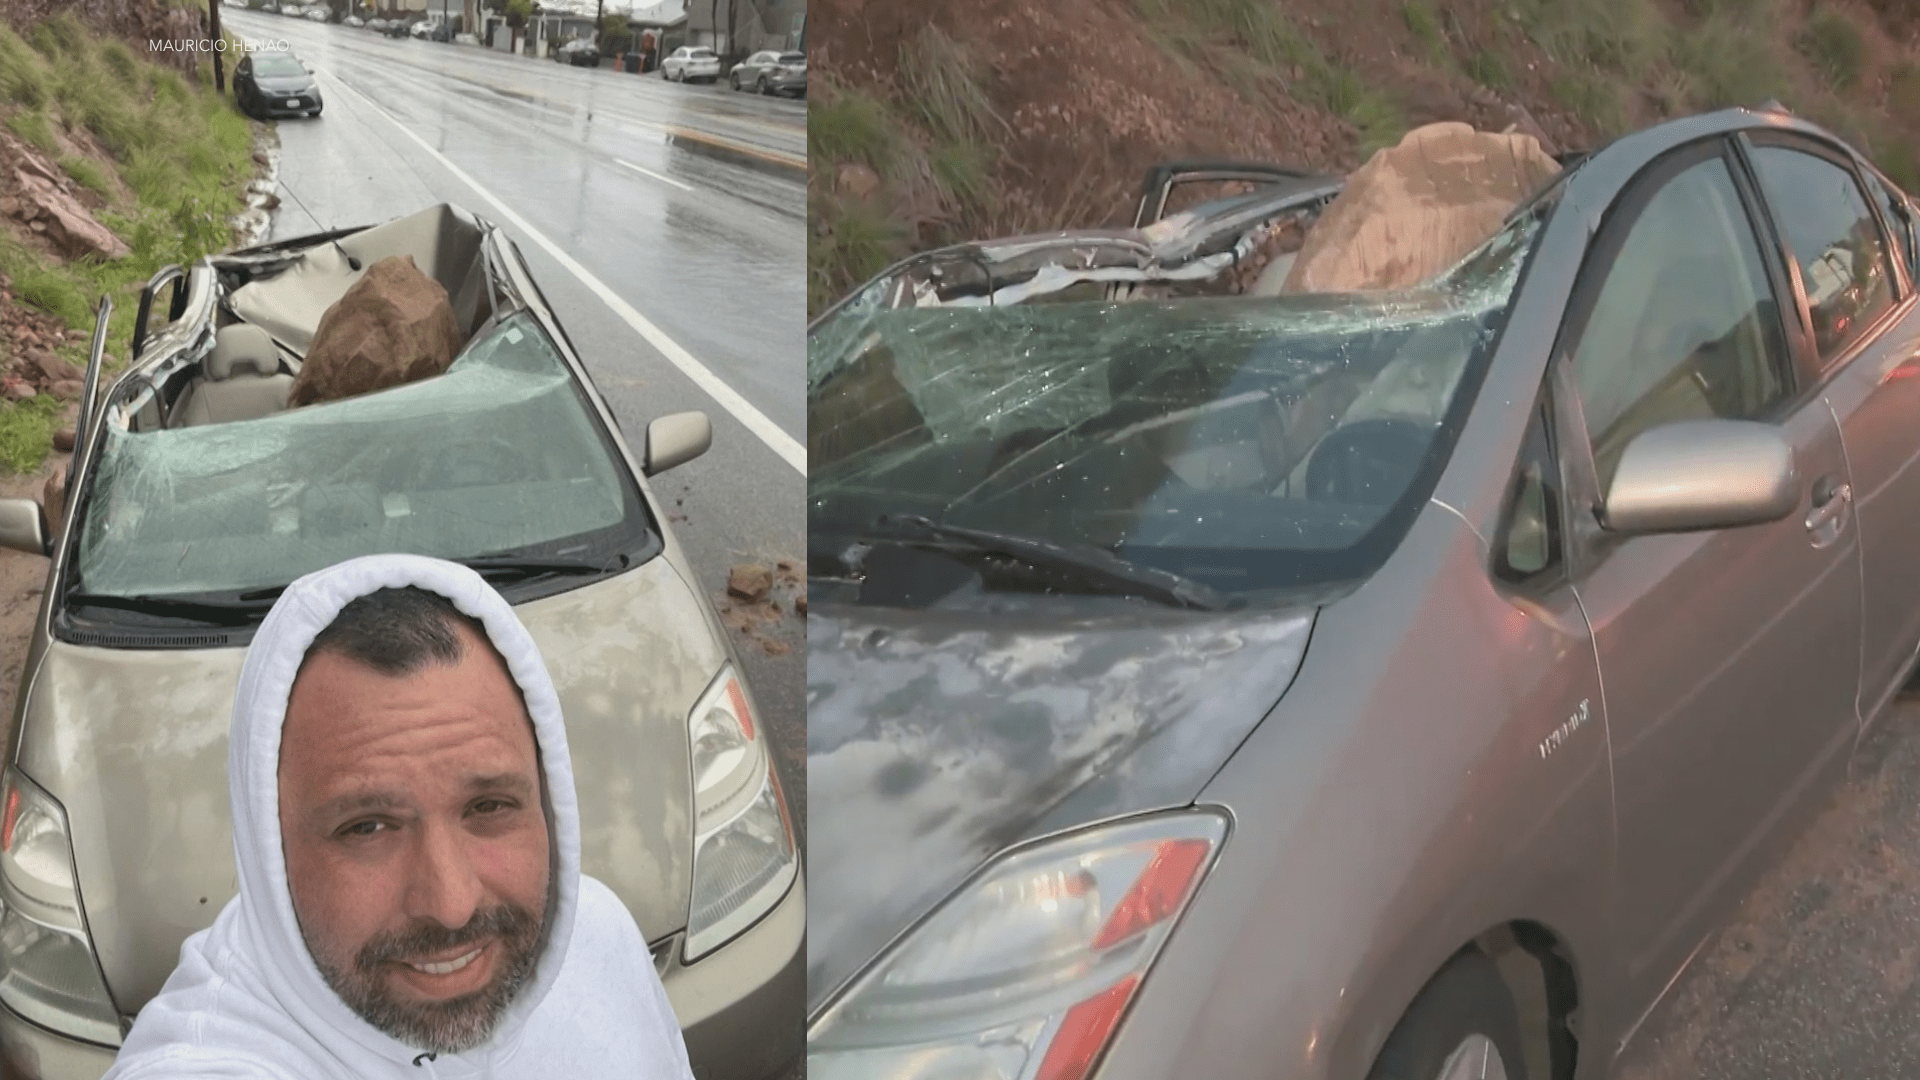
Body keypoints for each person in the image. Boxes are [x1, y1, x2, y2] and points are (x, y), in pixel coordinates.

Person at [102, 553, 696, 1079]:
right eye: (367, 827)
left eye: (489, 807)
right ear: (267, 847)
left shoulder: (601, 937)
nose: (451, 903)